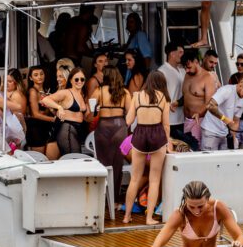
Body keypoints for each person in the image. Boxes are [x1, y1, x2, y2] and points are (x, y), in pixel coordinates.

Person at [123, 71, 171, 225]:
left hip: (140, 135)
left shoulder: (136, 96)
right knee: (155, 179)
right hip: (157, 135)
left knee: (135, 179)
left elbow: (129, 120)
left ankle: (126, 216)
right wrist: (167, 142)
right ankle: (149, 218)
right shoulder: (164, 98)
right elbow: (166, 124)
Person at [91, 66, 132, 203]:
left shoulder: (99, 91)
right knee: (117, 165)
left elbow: (89, 113)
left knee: (103, 164)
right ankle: (114, 201)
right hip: (119, 127)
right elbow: (131, 114)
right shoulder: (125, 93)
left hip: (103, 127)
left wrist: (95, 111)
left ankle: (102, 200)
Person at [42, 67, 88, 156]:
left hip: (77, 129)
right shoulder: (66, 92)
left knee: (73, 159)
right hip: (66, 128)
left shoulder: (83, 94)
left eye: (82, 79)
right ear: (70, 80)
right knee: (74, 159)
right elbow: (46, 99)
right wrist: (59, 107)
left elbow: (87, 117)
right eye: (76, 79)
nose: (79, 81)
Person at [200, 78, 243, 151]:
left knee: (224, 160)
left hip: (225, 134)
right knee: (210, 160)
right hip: (211, 130)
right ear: (241, 85)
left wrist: (234, 137)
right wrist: (224, 118)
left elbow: (236, 120)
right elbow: (211, 106)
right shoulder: (226, 90)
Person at [182, 49, 217, 151]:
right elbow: (187, 95)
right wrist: (176, 103)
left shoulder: (207, 78)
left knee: (196, 150)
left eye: (188, 67)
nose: (186, 70)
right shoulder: (187, 75)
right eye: (185, 67)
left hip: (199, 121)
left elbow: (210, 102)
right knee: (186, 149)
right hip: (186, 120)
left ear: (196, 62)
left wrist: (199, 113)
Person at [25, 65, 58, 157]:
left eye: (41, 74)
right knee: (39, 157)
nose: (39, 77)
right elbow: (35, 114)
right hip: (36, 127)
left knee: (48, 156)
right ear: (31, 78)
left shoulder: (47, 90)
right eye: (36, 75)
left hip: (46, 126)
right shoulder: (33, 91)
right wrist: (54, 119)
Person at [158, 41, 185, 141]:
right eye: (180, 52)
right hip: (168, 119)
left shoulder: (183, 70)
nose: (182, 55)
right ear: (172, 54)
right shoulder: (162, 71)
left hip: (182, 118)